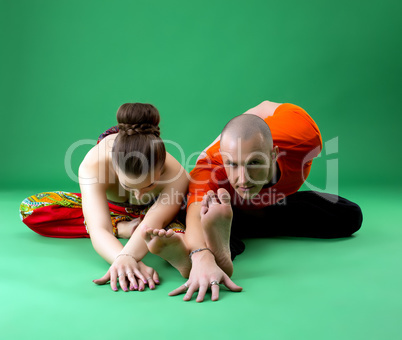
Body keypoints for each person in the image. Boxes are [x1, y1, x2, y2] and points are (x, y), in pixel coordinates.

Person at [142, 100, 363, 302]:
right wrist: (201, 257)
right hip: (225, 204)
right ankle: (202, 250)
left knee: (348, 215)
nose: (243, 179)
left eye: (255, 163)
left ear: (274, 153)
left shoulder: (302, 135)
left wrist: (243, 127)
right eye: (233, 165)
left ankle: (226, 234)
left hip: (266, 207)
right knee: (192, 216)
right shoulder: (209, 169)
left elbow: (265, 105)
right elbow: (195, 212)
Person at [20, 103, 189, 292]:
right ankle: (123, 228)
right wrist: (124, 260)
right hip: (111, 210)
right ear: (114, 168)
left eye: (149, 185)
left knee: (178, 228)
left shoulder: (177, 174)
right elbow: (99, 228)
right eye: (128, 186)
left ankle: (171, 241)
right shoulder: (94, 164)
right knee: (32, 208)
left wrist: (129, 257)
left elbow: (155, 219)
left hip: (154, 214)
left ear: (161, 168)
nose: (139, 194)